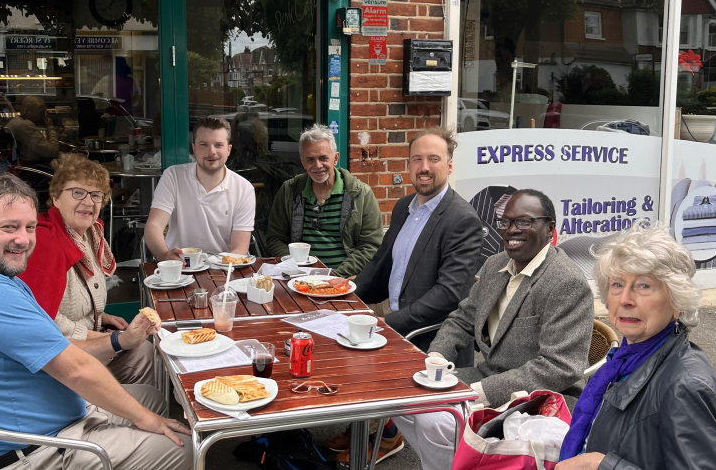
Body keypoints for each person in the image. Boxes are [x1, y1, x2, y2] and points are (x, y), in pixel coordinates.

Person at [0, 172, 193, 470]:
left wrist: (119, 343)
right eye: (8, 227)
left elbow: (58, 344)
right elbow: (77, 371)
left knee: (152, 398)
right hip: (34, 450)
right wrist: (145, 419)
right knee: (182, 448)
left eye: (29, 227)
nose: (23, 239)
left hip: (41, 424)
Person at [394, 189, 594, 470]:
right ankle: (453, 462)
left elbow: (559, 367)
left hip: (537, 398)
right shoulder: (495, 265)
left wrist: (481, 391)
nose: (512, 230)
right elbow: (463, 318)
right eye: (506, 221)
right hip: (489, 375)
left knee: (434, 417)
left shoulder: (565, 282)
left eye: (524, 221)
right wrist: (437, 357)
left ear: (549, 229)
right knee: (400, 397)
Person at [331, 126, 483, 465]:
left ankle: (385, 438)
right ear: (409, 164)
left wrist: (388, 324)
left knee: (431, 433)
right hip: (402, 327)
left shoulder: (461, 219)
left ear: (450, 165)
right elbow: (381, 265)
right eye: (417, 159)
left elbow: (450, 294)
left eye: (433, 159)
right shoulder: (404, 207)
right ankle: (372, 434)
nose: (424, 167)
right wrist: (341, 294)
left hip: (433, 338)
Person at [556, 222, 716, 470]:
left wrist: (604, 466)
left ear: (677, 300)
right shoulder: (624, 360)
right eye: (617, 284)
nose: (625, 299)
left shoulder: (685, 385)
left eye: (643, 285)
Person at [19, 153, 154, 386]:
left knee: (146, 353)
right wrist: (103, 337)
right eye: (77, 193)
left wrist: (102, 318)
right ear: (56, 198)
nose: (88, 201)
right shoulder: (45, 241)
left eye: (96, 195)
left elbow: (77, 302)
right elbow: (42, 319)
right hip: (58, 362)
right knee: (143, 354)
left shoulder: (92, 235)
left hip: (83, 345)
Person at [266, 124, 383, 277]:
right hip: (298, 277)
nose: (317, 165)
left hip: (347, 278)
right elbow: (275, 238)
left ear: (336, 158)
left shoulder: (361, 194)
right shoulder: (289, 191)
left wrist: (335, 276)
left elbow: (370, 246)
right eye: (310, 160)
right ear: (302, 162)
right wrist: (293, 267)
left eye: (323, 158)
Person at [145, 115, 255, 260]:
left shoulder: (244, 188)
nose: (211, 151)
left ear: (228, 150)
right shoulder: (173, 176)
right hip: (181, 266)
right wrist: (165, 256)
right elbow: (153, 226)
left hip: (224, 270)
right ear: (194, 148)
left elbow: (239, 250)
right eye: (204, 144)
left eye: (218, 145)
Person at [6, 95, 59, 164]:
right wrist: (50, 127)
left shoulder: (18, 121)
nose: (43, 116)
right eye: (41, 113)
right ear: (30, 112)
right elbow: (52, 151)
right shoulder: (25, 125)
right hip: (30, 168)